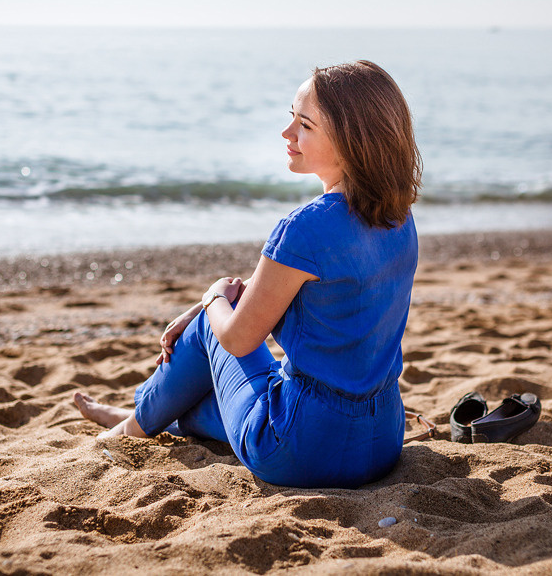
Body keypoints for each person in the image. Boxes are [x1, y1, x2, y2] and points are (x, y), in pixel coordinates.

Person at [73, 60, 422, 488]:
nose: (287, 133)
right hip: (381, 441)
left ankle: (130, 427)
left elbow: (238, 338)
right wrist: (225, 301)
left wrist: (212, 298)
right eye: (290, 118)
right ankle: (147, 414)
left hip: (297, 451)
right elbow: (324, 289)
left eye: (305, 125)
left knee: (210, 324)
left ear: (352, 140)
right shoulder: (398, 216)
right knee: (223, 365)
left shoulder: (305, 228)